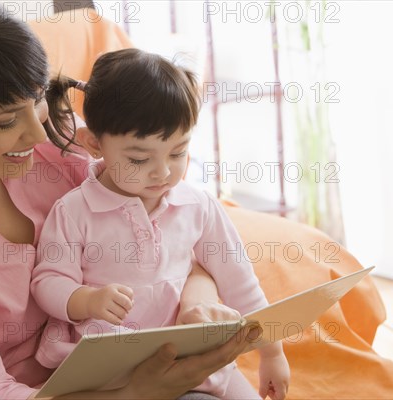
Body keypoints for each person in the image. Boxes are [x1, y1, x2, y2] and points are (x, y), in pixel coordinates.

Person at [0, 0, 260, 399]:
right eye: (6, 120)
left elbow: (178, 238)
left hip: (114, 376)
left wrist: (197, 305)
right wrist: (138, 393)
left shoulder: (63, 141)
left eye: (39, 100)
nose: (40, 135)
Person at [30, 48, 290, 400]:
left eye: (178, 152)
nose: (163, 172)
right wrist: (85, 300)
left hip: (192, 360)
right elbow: (48, 280)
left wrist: (272, 353)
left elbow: (239, 280)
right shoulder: (75, 210)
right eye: (139, 158)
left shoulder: (197, 205)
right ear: (94, 144)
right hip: (113, 375)